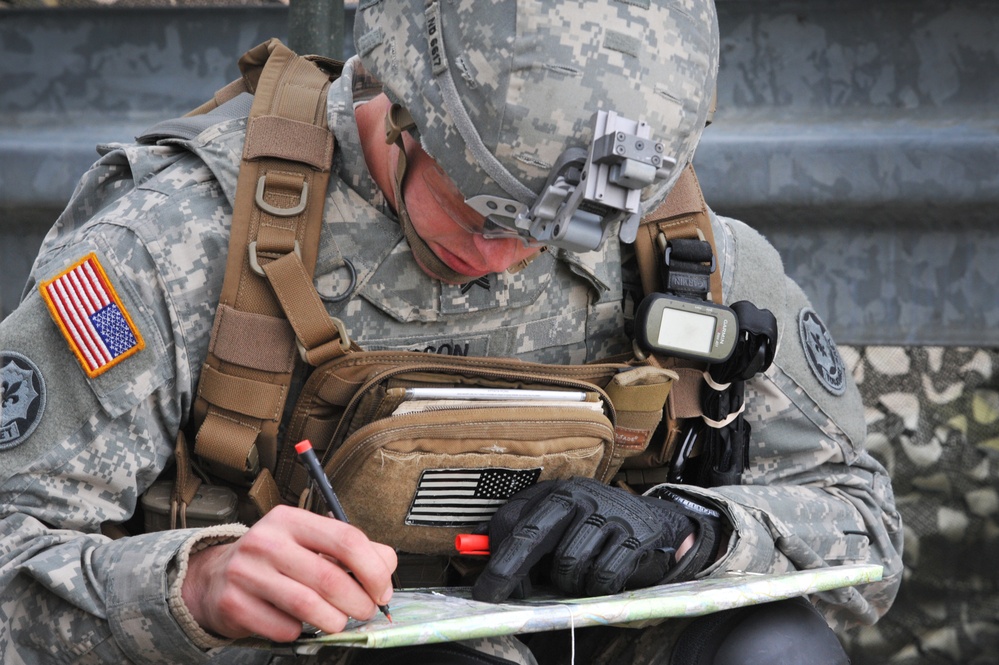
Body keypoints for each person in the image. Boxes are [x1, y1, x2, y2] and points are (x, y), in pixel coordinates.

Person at [0, 0, 902, 663]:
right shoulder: (179, 243)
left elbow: (863, 529)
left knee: (775, 651)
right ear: (399, 105)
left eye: (555, 234)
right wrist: (193, 584)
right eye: (481, 214)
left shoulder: (677, 248)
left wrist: (688, 531)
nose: (512, 257)